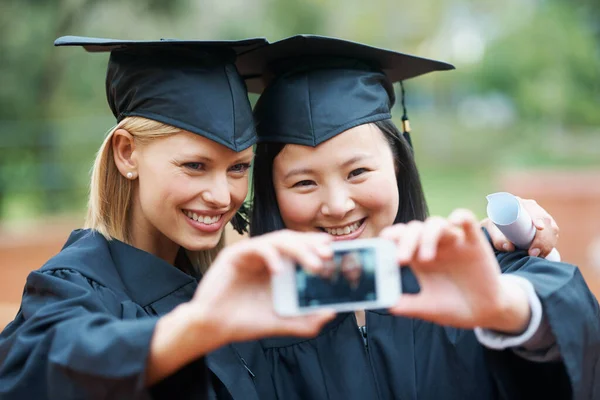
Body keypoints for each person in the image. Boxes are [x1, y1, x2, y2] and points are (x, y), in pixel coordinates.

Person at [228, 35, 599, 399]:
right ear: (272, 191)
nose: (338, 205)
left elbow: (573, 313)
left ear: (398, 165)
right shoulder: (249, 325)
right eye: (304, 182)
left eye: (357, 172)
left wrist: (504, 307)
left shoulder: (470, 270)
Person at [0, 36, 337, 400]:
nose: (223, 197)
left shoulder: (215, 279)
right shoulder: (73, 288)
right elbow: (48, 367)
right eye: (195, 166)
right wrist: (198, 327)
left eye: (238, 167)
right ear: (127, 153)